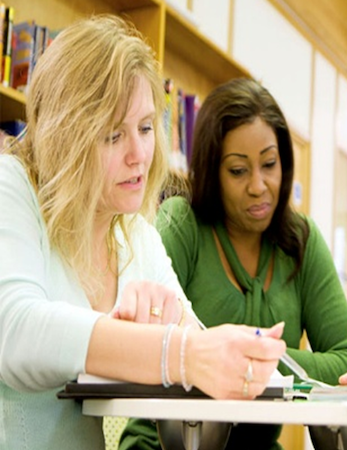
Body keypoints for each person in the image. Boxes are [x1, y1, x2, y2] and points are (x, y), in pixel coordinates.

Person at [0, 15, 286, 450]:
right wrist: (169, 351)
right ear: (66, 135)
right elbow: (15, 332)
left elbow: (196, 345)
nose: (139, 155)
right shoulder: (11, 185)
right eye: (113, 135)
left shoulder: (135, 234)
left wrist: (202, 344)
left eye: (147, 128)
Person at [120, 77, 347, 450]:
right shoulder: (181, 223)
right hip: (165, 444)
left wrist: (250, 361)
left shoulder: (302, 240)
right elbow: (143, 345)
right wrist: (274, 364)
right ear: (211, 171)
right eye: (238, 170)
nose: (259, 185)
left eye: (270, 164)